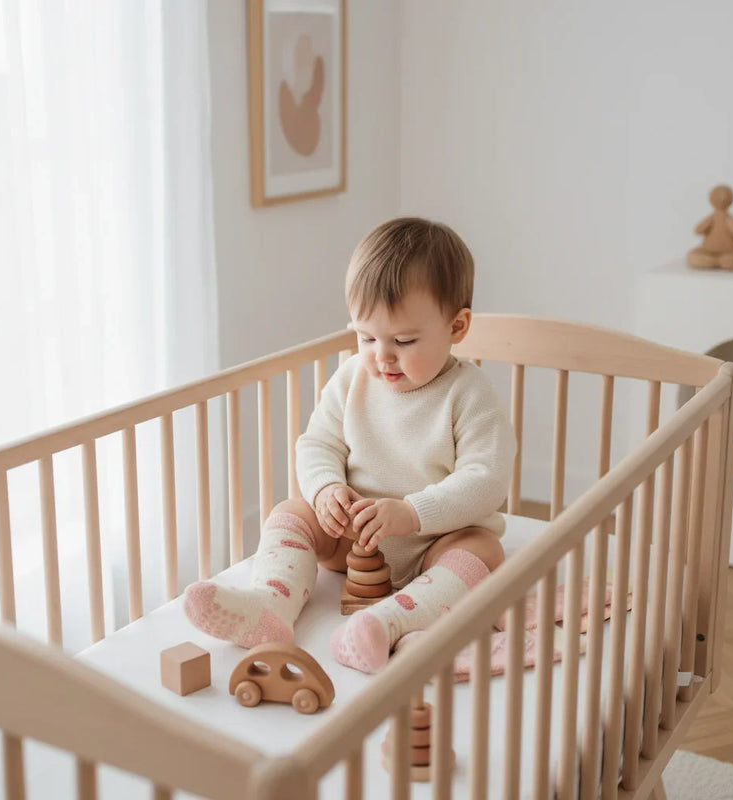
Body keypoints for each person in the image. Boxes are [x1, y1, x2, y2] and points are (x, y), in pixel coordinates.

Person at [184, 217, 515, 673]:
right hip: (352, 539)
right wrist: (325, 492)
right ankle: (270, 606)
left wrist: (413, 513)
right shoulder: (351, 379)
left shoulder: (469, 394)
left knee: (483, 550)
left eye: (403, 340)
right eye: (366, 337)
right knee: (291, 511)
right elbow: (317, 442)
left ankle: (391, 621)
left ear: (457, 326)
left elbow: (486, 479)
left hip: (432, 543)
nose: (382, 355)